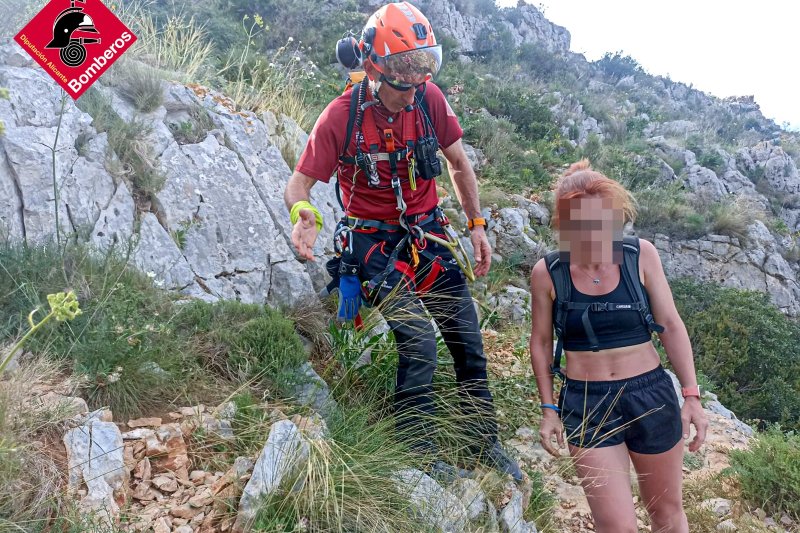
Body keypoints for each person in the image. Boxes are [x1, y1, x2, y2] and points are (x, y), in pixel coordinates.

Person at [283, 2, 522, 482]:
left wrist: (476, 223)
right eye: (401, 77)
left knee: (467, 340)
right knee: (418, 341)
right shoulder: (341, 117)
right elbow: (299, 184)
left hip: (426, 234)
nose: (412, 89)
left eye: (420, 75)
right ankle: (417, 450)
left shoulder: (428, 99)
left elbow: (458, 163)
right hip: (370, 243)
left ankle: (482, 441)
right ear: (373, 66)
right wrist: (302, 213)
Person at [529, 160, 708, 532]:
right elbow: (541, 342)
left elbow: (671, 326)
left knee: (667, 514)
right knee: (615, 526)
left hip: (650, 396)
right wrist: (549, 408)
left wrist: (691, 396)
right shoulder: (548, 272)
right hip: (586, 401)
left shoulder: (639, 255)